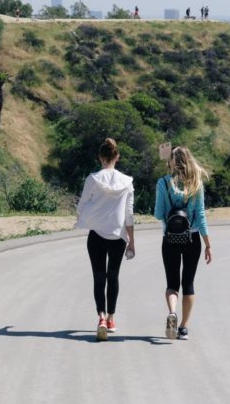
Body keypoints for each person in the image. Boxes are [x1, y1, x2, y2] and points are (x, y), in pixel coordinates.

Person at [76, 138, 135, 341]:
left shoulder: (93, 179)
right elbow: (129, 215)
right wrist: (132, 241)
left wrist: (88, 217)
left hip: (96, 236)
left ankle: (101, 318)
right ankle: (111, 319)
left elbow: (81, 206)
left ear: (100, 157)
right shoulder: (127, 182)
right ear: (117, 156)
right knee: (113, 276)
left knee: (99, 277)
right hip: (118, 236)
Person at [154, 146, 212, 340]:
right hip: (192, 238)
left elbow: (158, 214)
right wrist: (208, 244)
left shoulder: (163, 183)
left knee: (172, 284)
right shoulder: (196, 183)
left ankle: (172, 312)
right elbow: (201, 216)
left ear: (172, 162)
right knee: (188, 284)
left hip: (169, 238)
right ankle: (184, 328)